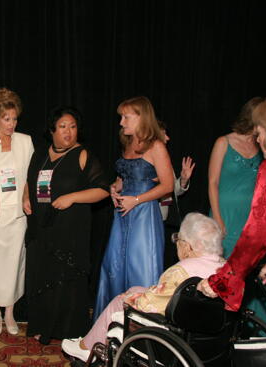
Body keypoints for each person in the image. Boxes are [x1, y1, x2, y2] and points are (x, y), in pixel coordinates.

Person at [62, 213, 225, 362]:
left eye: (179, 240)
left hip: (175, 336)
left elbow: (145, 304)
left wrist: (127, 298)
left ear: (188, 247)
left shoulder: (181, 271)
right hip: (211, 339)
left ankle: (86, 347)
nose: (177, 245)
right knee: (136, 289)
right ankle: (89, 341)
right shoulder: (226, 269)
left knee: (121, 301)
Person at [198, 94, 266, 338]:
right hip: (230, 217)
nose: (258, 138)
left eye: (260, 131)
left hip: (248, 229)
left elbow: (255, 240)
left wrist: (221, 282)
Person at [25, 106, 110, 345]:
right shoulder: (40, 154)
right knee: (42, 275)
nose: (68, 132)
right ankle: (43, 325)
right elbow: (29, 179)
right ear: (52, 130)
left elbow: (102, 189)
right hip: (41, 226)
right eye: (63, 127)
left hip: (70, 229)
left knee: (66, 277)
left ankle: (67, 329)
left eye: (73, 127)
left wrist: (72, 197)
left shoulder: (82, 155)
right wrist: (25, 197)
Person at [94, 96, 174, 320]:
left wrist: (136, 199)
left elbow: (167, 186)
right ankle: (111, 326)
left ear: (141, 117)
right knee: (114, 266)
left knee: (140, 268)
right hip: (122, 214)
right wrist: (115, 187)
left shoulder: (156, 146)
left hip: (143, 215)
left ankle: (141, 329)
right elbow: (126, 176)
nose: (121, 122)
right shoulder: (129, 143)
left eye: (126, 117)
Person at [0, 87, 34, 336]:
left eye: (14, 119)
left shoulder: (25, 141)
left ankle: (9, 312)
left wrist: (26, 196)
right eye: (6, 119)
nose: (11, 124)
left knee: (13, 265)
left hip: (16, 217)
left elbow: (29, 176)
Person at [208, 97, 264, 257]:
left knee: (242, 266)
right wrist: (217, 218)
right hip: (224, 212)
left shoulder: (262, 146)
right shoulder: (224, 142)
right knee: (219, 264)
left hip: (249, 216)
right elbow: (213, 182)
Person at [157, 122, 196, 268]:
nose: (167, 138)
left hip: (164, 220)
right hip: (149, 218)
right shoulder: (146, 160)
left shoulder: (163, 159)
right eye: (164, 134)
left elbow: (172, 190)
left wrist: (184, 180)